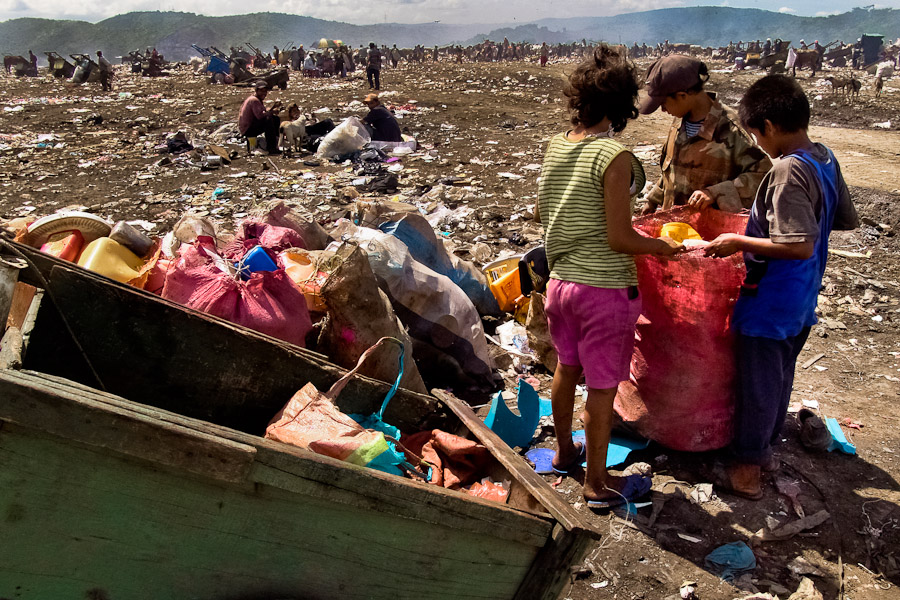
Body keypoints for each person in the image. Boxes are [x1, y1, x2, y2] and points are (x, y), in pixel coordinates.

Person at [535, 45, 682, 510]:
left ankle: (564, 454)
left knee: (565, 368)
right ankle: (596, 485)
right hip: (603, 290)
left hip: (560, 286)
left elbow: (542, 210)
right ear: (623, 105)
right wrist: (662, 246)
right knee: (601, 389)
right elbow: (620, 237)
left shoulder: (558, 145)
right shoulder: (614, 156)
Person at [704, 75, 858, 499]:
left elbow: (797, 243)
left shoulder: (789, 168)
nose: (758, 144)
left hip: (772, 296)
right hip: (803, 295)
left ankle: (746, 471)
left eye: (756, 134)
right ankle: (765, 449)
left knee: (757, 383)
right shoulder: (823, 158)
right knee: (777, 376)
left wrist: (738, 240)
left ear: (769, 126)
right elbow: (843, 219)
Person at [639, 55, 771, 214]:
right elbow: (670, 171)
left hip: (710, 233)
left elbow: (765, 176)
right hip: (674, 227)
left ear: (682, 96)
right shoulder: (678, 123)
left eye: (663, 103)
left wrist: (716, 193)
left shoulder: (731, 130)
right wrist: (653, 200)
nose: (663, 110)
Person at [238, 80, 282, 155]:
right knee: (268, 120)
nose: (264, 93)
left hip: (250, 125)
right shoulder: (254, 100)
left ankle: (277, 143)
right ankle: (271, 148)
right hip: (248, 129)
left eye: (265, 91)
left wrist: (271, 110)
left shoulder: (256, 99)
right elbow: (260, 116)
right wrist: (271, 112)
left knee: (275, 119)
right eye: (261, 91)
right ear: (256, 91)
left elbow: (262, 112)